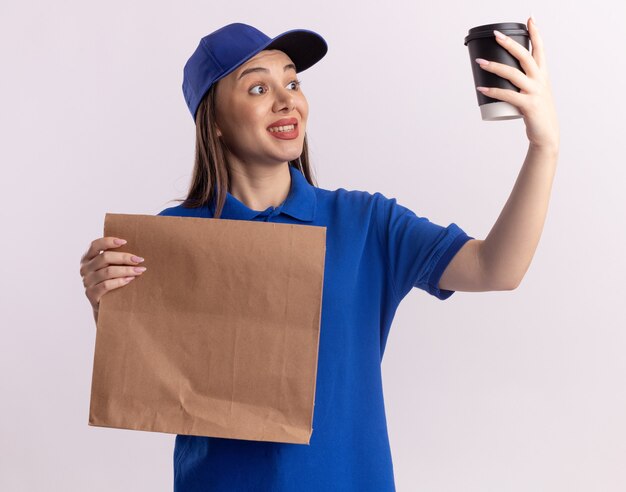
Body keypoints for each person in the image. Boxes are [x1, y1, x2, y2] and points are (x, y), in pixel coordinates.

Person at [79, 19, 559, 491]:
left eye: (292, 81)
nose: (287, 99)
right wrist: (110, 307)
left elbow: (496, 268)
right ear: (216, 123)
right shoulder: (172, 240)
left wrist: (544, 146)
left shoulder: (366, 222)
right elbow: (158, 377)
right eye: (257, 89)